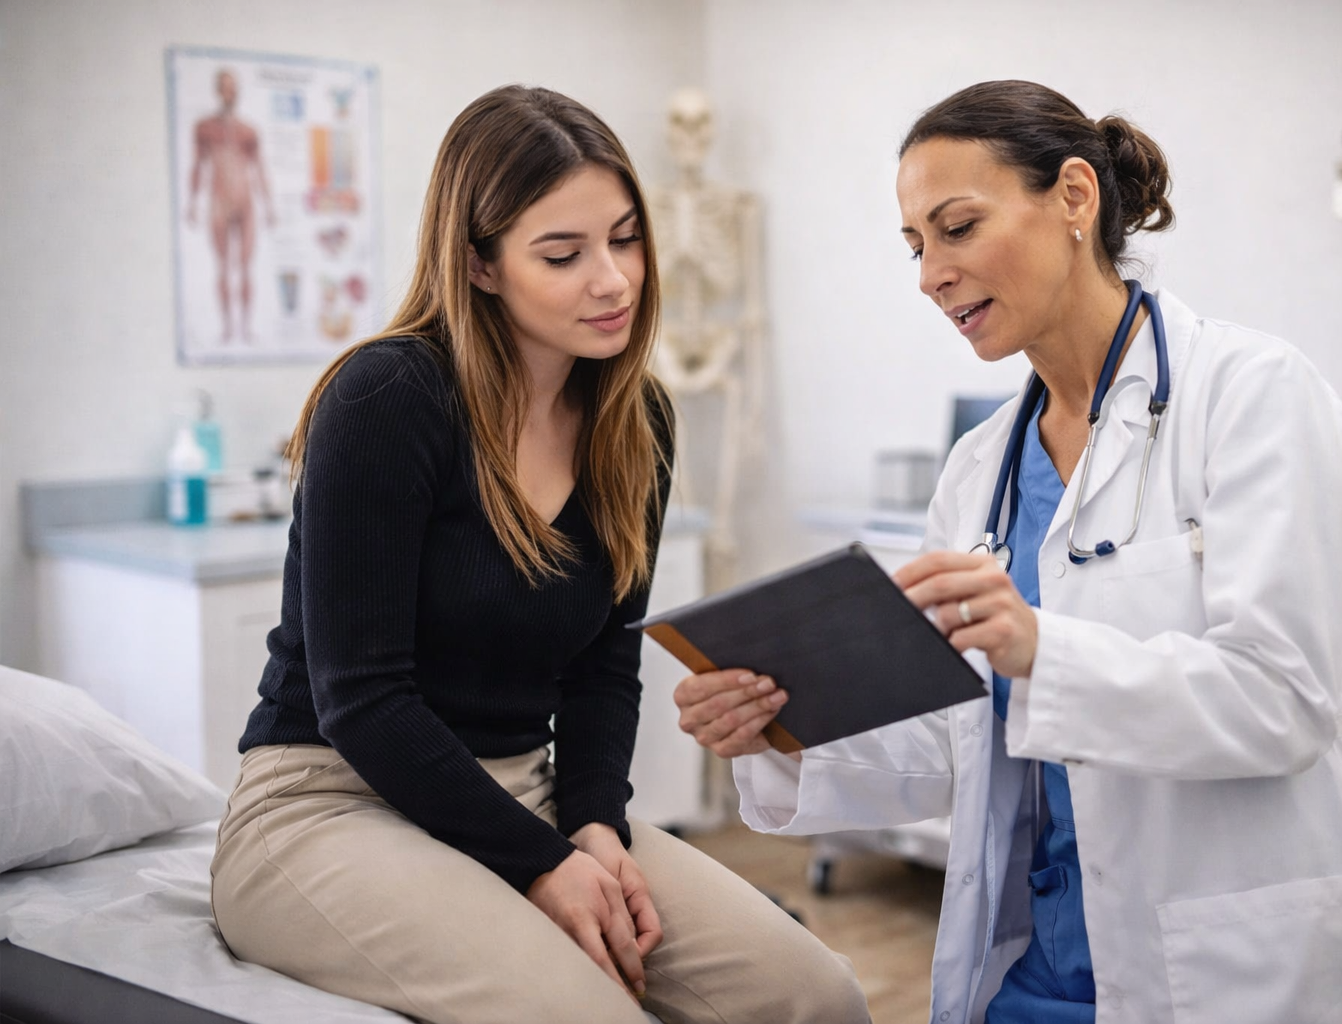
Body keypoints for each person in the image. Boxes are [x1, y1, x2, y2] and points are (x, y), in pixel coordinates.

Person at [673, 81, 1342, 1024]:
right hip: (1037, 970)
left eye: (957, 228)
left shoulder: (1252, 395)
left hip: (1237, 968)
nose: (930, 274)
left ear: (1075, 197)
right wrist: (781, 730)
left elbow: (1284, 699)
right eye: (916, 246)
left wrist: (1039, 649)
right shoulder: (979, 471)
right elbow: (961, 739)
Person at [210, 85, 868, 1024]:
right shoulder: (387, 397)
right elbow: (361, 700)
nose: (614, 280)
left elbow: (603, 673)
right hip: (327, 801)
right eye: (563, 254)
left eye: (626, 238)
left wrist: (593, 827)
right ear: (479, 265)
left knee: (816, 997)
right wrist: (542, 866)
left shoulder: (636, 420)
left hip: (529, 790)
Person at [186, 68, 275, 343]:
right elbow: (198, 165)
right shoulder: (205, 128)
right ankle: (227, 328)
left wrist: (269, 204)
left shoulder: (248, 131)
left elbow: (259, 167)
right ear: (218, 90)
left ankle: (245, 328)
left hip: (245, 200)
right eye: (226, 87)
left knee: (246, 266)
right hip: (219, 200)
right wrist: (192, 202)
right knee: (224, 266)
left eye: (234, 87)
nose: (230, 92)